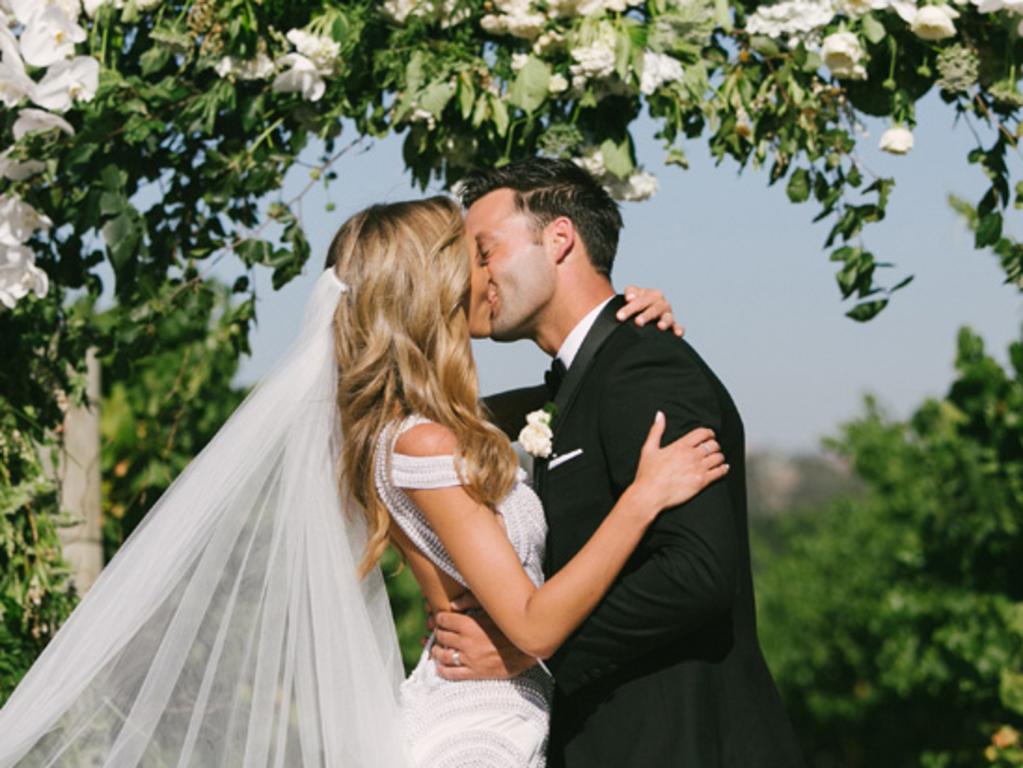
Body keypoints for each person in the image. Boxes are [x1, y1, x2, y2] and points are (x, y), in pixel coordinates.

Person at [0, 194, 723, 768]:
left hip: (502, 717)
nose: (485, 273)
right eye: (471, 256)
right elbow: (531, 623)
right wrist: (640, 500)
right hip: (479, 737)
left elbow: (554, 399)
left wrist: (617, 334)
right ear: (430, 283)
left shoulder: (425, 427)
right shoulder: (426, 442)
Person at [425, 158, 806, 768]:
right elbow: (436, 427)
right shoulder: (583, 380)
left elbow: (697, 570)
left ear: (559, 239)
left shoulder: (644, 366)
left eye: (485, 251)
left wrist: (533, 652)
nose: (473, 274)